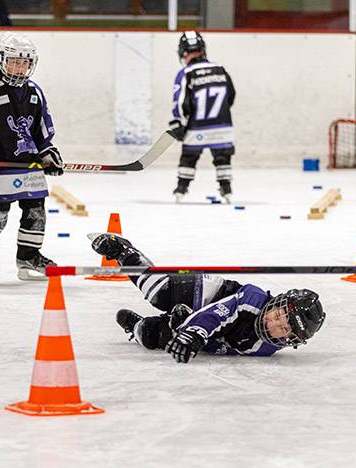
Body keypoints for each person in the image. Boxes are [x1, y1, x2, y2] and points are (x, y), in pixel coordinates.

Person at [89, 233, 324, 362]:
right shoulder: (253, 298)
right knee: (159, 293)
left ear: (289, 339)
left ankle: (138, 325)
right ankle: (123, 251)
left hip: (202, 325)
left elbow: (222, 347)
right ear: (277, 303)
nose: (273, 324)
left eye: (282, 329)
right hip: (207, 294)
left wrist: (183, 329)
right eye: (278, 316)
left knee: (152, 336)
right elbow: (218, 314)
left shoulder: (264, 348)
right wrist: (194, 330)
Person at [0, 32, 63, 281]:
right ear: (2, 60)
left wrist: (48, 152)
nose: (19, 67)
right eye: (14, 61)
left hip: (28, 166)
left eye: (24, 63)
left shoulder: (34, 92)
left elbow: (42, 129)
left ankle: (29, 255)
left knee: (36, 210)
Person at [168, 31, 237, 203]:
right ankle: (226, 188)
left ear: (183, 52)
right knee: (223, 158)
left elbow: (180, 101)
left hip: (197, 126)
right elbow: (231, 95)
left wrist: (178, 123)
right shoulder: (220, 69)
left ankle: (181, 189)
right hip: (223, 126)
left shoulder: (186, 73)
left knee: (189, 157)